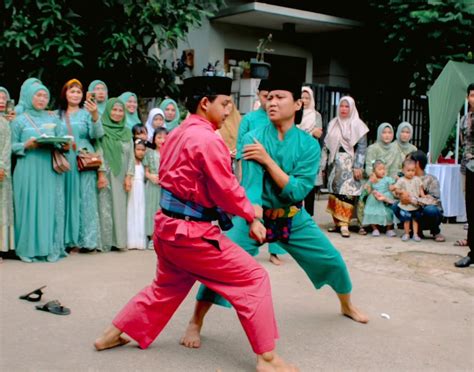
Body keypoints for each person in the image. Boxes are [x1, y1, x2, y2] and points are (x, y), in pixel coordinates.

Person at [94, 76, 296, 372]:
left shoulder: (175, 133)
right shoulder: (206, 138)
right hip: (191, 234)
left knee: (166, 287)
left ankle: (112, 335)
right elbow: (225, 189)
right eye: (225, 103)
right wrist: (251, 215)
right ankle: (267, 358)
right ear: (205, 103)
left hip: (168, 229)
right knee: (254, 278)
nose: (228, 111)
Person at [180, 77, 368, 351]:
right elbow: (252, 187)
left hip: (292, 215)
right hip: (253, 216)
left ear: (297, 103)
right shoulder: (252, 136)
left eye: (280, 97)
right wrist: (253, 219)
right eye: (270, 97)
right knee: (223, 263)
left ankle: (346, 304)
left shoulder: (308, 145)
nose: (272, 102)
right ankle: (196, 321)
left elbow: (297, 191)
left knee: (332, 259)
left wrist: (267, 160)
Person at [11, 82, 68, 262]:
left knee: (48, 207)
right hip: (27, 168)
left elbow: (62, 143)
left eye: (45, 96)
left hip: (48, 170)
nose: (42, 99)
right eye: (38, 95)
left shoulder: (53, 119)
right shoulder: (19, 120)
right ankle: (27, 249)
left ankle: (49, 248)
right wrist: (25, 145)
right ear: (29, 96)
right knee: (27, 207)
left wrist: (64, 145)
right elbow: (9, 147)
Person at [235, 78, 287, 265]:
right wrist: (241, 175)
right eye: (266, 96)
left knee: (276, 212)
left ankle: (275, 250)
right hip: (252, 172)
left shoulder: (279, 119)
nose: (270, 101)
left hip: (273, 172)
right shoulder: (249, 119)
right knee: (250, 209)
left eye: (274, 97)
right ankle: (246, 248)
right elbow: (240, 148)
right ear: (258, 95)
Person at [56, 79, 103, 253]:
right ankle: (68, 241)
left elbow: (97, 135)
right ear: (65, 94)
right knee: (66, 197)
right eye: (72, 91)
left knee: (86, 198)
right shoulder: (56, 115)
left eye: (78, 92)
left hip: (84, 158)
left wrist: (95, 115)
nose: (75, 95)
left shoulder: (87, 113)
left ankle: (87, 241)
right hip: (64, 159)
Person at [323, 96, 369, 238]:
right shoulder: (333, 123)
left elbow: (362, 148)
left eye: (346, 106)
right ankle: (337, 224)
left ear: (352, 108)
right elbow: (326, 145)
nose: (343, 109)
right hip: (334, 162)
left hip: (350, 163)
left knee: (346, 193)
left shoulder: (358, 125)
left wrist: (358, 166)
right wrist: (323, 164)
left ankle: (344, 224)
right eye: (341, 106)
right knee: (335, 193)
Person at [97, 98, 135, 251]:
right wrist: (100, 173)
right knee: (105, 207)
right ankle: (105, 242)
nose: (117, 113)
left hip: (121, 175)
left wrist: (129, 175)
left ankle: (119, 241)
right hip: (106, 173)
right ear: (107, 111)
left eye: (120, 110)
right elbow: (98, 151)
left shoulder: (126, 131)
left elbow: (131, 154)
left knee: (120, 207)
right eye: (114, 110)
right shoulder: (101, 130)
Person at [455, 83, 474, 267]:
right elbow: (463, 143)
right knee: (471, 207)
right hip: (468, 166)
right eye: (472, 96)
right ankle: (472, 251)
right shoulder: (464, 119)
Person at [298, 86, 323, 216]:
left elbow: (318, 133)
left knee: (310, 184)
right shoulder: (295, 113)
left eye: (307, 98)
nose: (305, 100)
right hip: (296, 151)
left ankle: (308, 215)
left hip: (310, 152)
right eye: (302, 97)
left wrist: (307, 132)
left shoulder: (316, 115)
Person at [143, 127, 167, 244]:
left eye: (164, 137)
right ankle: (152, 238)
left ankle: (162, 238)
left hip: (165, 187)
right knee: (151, 211)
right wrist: (151, 176)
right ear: (154, 139)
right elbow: (145, 171)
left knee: (163, 211)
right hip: (152, 186)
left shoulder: (169, 153)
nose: (162, 140)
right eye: (159, 137)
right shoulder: (149, 153)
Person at [392, 159, 424, 242]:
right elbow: (396, 189)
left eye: (413, 170)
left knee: (415, 220)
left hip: (415, 204)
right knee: (406, 220)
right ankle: (406, 233)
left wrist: (423, 196)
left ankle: (415, 234)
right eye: (408, 170)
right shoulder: (401, 180)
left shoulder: (417, 179)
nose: (411, 172)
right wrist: (401, 191)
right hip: (405, 205)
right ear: (403, 170)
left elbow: (421, 189)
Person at [361, 160, 396, 237]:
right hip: (374, 199)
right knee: (373, 213)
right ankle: (375, 228)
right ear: (374, 171)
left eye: (383, 169)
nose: (382, 171)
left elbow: (392, 187)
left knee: (388, 213)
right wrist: (367, 187)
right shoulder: (372, 180)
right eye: (380, 169)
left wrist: (393, 187)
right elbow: (369, 190)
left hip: (385, 198)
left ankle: (389, 229)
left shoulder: (387, 179)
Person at [0, 87, 16, 253]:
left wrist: (2, 166)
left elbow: (7, 146)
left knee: (3, 208)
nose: (1, 100)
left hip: (3, 170)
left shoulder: (5, 121)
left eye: (4, 98)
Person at [127, 139, 147, 250]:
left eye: (143, 150)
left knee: (140, 212)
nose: (140, 152)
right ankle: (131, 240)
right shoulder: (131, 163)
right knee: (132, 211)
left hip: (141, 190)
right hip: (133, 189)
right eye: (138, 149)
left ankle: (139, 240)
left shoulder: (144, 163)